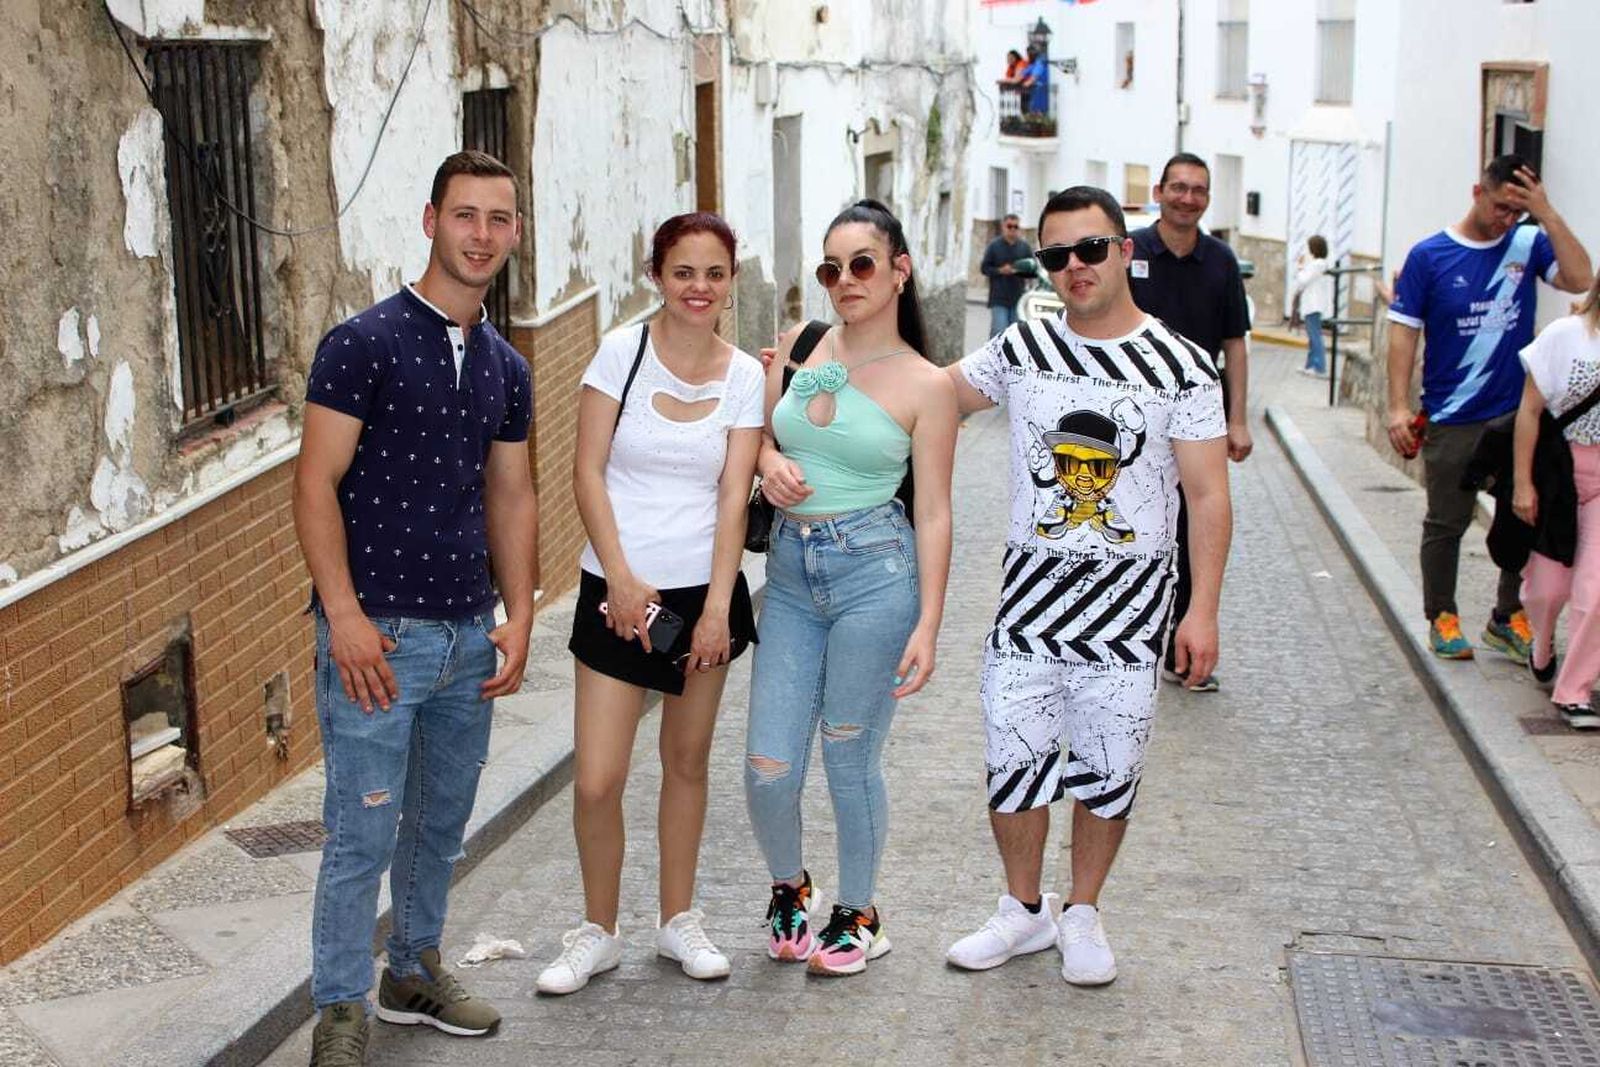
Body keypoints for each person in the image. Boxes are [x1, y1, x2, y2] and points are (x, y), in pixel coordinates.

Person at [944, 186, 1230, 985]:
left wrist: (1200, 609)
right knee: (1014, 762)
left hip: (1129, 621)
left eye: (1090, 249)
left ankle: (1083, 911)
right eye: (1056, 255)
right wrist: (823, 366)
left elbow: (1208, 496)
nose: (1074, 267)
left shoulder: (1182, 365)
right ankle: (1022, 910)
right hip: (1026, 610)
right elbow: (934, 393)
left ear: (1124, 249)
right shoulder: (1023, 348)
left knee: (1108, 767)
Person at [293, 150, 537, 1066]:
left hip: (468, 635)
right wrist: (344, 615)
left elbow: (512, 495)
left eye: (498, 219)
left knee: (438, 822)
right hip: (377, 635)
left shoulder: (506, 366)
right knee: (361, 829)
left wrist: (519, 611)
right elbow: (315, 484)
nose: (482, 235)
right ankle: (340, 1007)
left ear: (514, 232)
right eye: (466, 215)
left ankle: (413, 970)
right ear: (431, 219)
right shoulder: (362, 343)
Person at [535, 213, 765, 995]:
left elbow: (736, 493)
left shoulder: (743, 376)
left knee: (686, 763)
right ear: (656, 276)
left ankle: (678, 921)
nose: (698, 288)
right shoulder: (619, 353)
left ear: (730, 282)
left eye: (713, 274)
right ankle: (597, 930)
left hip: (704, 594)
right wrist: (623, 578)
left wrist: (719, 609)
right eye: (683, 272)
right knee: (598, 776)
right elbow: (586, 471)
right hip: (616, 592)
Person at [747, 199, 957, 977]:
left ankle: (860, 910)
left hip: (877, 574)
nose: (845, 280)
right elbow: (758, 435)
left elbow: (933, 512)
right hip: (793, 576)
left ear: (900, 270)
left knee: (847, 756)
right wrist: (769, 462)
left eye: (862, 263)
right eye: (831, 267)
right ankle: (789, 885)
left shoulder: (927, 384)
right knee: (769, 764)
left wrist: (930, 623)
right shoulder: (799, 345)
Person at [1386, 154, 1593, 661]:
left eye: (1515, 213)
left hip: (1515, 417)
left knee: (1519, 517)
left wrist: (1545, 214)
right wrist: (1397, 406)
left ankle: (1506, 615)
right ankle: (1442, 615)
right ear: (1478, 192)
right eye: (1501, 207)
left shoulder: (1527, 243)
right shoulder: (1430, 255)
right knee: (1447, 521)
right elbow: (1403, 331)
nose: (1506, 220)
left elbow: (1582, 278)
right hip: (1453, 414)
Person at [1126, 152, 1251, 693]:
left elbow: (1235, 344)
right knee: (1128, 523)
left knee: (1193, 529)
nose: (1187, 198)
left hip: (1197, 419)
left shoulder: (1222, 262)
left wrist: (1238, 419)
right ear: (1159, 190)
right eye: (1178, 187)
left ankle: (1186, 645)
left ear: (1207, 199)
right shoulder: (1128, 251)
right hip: (1130, 414)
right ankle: (1123, 638)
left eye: (1198, 190)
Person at [1511, 272, 1600, 731]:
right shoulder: (1565, 335)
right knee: (1548, 590)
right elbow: (1529, 410)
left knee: (1596, 591)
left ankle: (1574, 691)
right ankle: (1541, 644)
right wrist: (1522, 483)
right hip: (1560, 475)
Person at [981, 213, 1035, 338]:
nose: (1012, 230)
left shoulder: (1024, 247)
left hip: (1018, 297)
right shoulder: (994, 246)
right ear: (1003, 227)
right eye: (1009, 226)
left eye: (1015, 227)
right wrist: (1000, 271)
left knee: (1015, 334)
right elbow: (984, 268)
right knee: (999, 331)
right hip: (998, 298)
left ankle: (1010, 357)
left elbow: (1032, 270)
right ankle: (993, 356)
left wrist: (1020, 271)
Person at [1292, 234, 1334, 376]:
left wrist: (1300, 267)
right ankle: (1310, 365)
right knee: (1312, 336)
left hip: (1313, 305)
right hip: (1312, 305)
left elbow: (1303, 280)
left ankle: (1319, 367)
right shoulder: (1319, 264)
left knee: (1315, 336)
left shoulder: (1317, 265)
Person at [1018, 46, 1050, 115]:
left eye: (1030, 54)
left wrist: (1024, 85)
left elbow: (1033, 78)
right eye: (1028, 54)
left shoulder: (1040, 62)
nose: (1029, 56)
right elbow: (1022, 74)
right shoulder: (1033, 64)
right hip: (1035, 95)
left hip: (1040, 93)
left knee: (1038, 113)